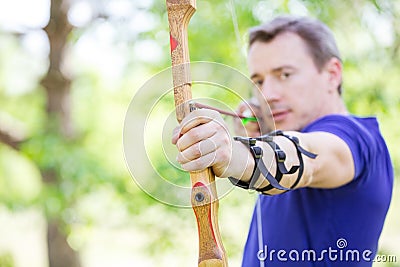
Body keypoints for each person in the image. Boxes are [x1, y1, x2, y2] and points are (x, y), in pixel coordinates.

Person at [172, 15, 393, 266]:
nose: (268, 94)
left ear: (332, 74)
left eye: (285, 74)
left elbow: (308, 158)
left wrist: (236, 154)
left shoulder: (357, 138)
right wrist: (258, 141)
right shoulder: (276, 138)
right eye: (259, 81)